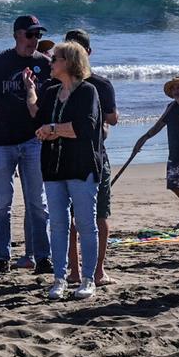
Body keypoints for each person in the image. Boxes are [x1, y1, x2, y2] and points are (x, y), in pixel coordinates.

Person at [25, 40, 102, 300]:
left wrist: (53, 130)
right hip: (53, 167)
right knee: (57, 225)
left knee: (85, 224)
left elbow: (85, 128)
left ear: (69, 62)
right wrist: (30, 91)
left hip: (81, 167)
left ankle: (88, 278)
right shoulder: (50, 92)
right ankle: (59, 278)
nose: (50, 61)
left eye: (55, 58)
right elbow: (38, 119)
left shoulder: (87, 91)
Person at [0, 14, 53, 277]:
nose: (35, 40)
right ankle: (1, 257)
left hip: (33, 140)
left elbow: (59, 95)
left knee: (37, 202)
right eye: (30, 34)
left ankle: (43, 256)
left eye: (38, 35)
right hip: (0, 142)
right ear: (17, 35)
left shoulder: (45, 64)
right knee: (1, 202)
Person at [64, 29, 118, 286]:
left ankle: (93, 270)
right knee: (80, 217)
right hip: (71, 158)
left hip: (93, 156)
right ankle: (80, 271)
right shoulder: (61, 83)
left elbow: (112, 119)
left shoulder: (100, 84)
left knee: (96, 215)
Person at [135, 76, 179, 229]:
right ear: (172, 92)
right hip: (174, 154)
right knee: (173, 185)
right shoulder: (170, 108)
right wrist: (144, 137)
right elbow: (158, 126)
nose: (178, 91)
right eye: (175, 89)